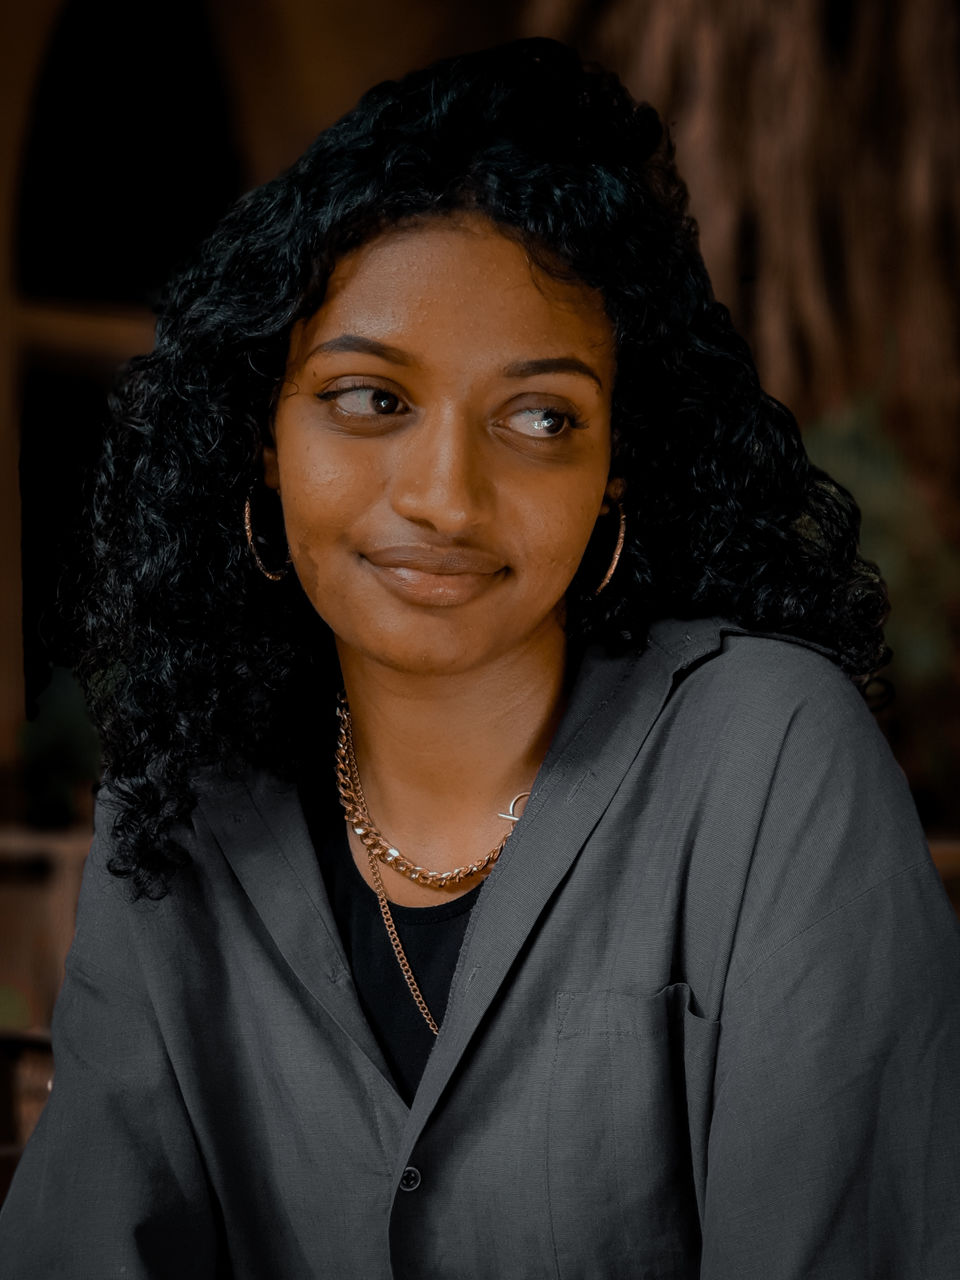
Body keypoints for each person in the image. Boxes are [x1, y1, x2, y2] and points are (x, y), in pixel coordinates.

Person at [2, 36, 959, 1279]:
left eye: (541, 417)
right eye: (371, 398)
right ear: (260, 437)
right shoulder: (180, 795)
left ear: (618, 465)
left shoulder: (772, 756)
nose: (446, 496)